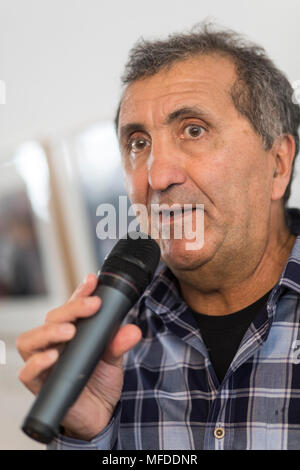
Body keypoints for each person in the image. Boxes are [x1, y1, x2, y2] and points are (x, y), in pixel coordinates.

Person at [17, 22, 300, 450]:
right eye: (138, 143)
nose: (158, 176)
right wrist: (85, 434)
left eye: (193, 130)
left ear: (277, 164)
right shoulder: (105, 343)